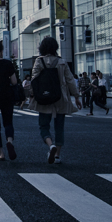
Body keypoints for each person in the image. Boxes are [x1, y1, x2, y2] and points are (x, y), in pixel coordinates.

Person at [26, 36, 81, 164]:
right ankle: (57, 155)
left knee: (43, 125)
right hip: (60, 98)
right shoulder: (61, 62)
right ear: (55, 47)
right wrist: (76, 97)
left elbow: (34, 80)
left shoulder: (39, 61)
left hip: (44, 98)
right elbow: (70, 80)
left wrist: (32, 95)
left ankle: (51, 145)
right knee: (59, 127)